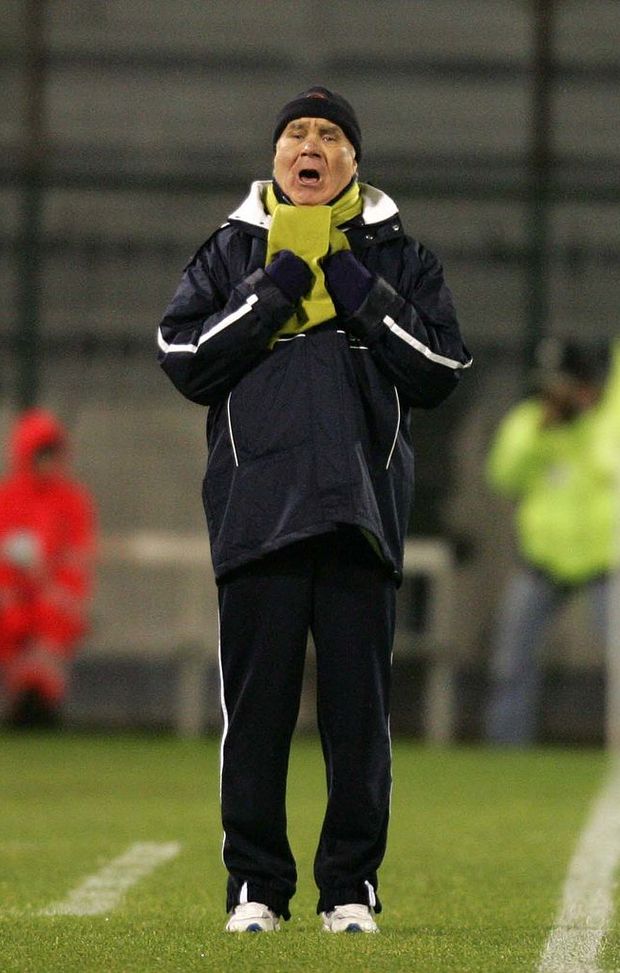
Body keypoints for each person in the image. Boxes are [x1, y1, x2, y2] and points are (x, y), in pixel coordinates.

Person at [158, 86, 471, 933]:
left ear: (353, 162)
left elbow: (441, 370)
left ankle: (349, 890)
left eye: (330, 135)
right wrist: (278, 284)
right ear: (274, 158)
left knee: (358, 723)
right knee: (254, 721)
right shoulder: (230, 250)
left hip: (360, 511)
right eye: (296, 132)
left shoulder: (401, 259)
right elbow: (183, 355)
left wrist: (354, 285)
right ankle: (255, 888)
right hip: (255, 512)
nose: (311, 145)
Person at [485, 338, 620, 745]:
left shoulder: (606, 423)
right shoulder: (530, 421)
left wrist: (586, 421)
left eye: (564, 384)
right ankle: (505, 755)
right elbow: (502, 476)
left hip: (602, 563)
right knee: (511, 664)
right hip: (540, 562)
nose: (555, 393)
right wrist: (542, 433)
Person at [0, 409, 97, 728]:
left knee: (51, 617)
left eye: (52, 453)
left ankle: (42, 700)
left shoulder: (72, 499)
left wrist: (52, 587)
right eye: (41, 453)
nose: (48, 460)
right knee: (12, 619)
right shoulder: (7, 498)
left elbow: (77, 557)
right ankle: (21, 699)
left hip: (54, 597)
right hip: (13, 596)